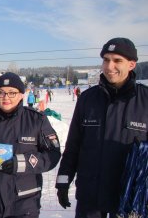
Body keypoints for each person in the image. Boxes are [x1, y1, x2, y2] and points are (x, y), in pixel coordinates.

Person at [55, 37, 148, 218]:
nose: (109, 66)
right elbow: (73, 145)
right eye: (106, 60)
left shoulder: (145, 101)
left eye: (117, 60)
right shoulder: (87, 99)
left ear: (131, 64)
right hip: (90, 198)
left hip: (127, 199)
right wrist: (63, 181)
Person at [0, 72, 61, 218]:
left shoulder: (37, 120)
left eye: (12, 93)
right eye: (1, 92)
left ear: (22, 94)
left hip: (25, 202)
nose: (6, 97)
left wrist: (21, 163)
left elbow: (52, 154)